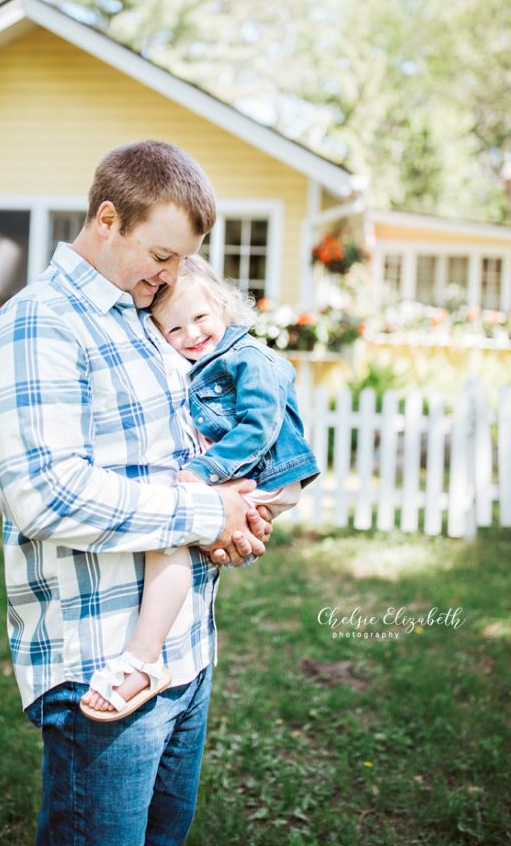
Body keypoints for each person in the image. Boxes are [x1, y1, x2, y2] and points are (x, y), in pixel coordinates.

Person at [0, 140, 274, 846]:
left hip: (184, 654)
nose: (172, 277)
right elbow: (49, 494)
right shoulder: (39, 323)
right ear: (107, 219)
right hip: (100, 667)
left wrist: (236, 515)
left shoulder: (143, 320)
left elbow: (178, 459)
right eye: (162, 256)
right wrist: (208, 512)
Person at [80, 254, 320, 721]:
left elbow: (260, 427)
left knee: (168, 532)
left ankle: (143, 658)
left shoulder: (251, 359)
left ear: (224, 307)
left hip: (267, 471)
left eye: (200, 318)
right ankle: (159, 643)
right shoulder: (205, 360)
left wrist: (206, 471)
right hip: (247, 475)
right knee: (185, 534)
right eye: (174, 330)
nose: (190, 335)